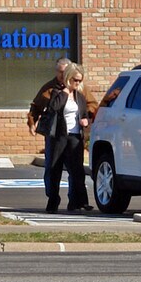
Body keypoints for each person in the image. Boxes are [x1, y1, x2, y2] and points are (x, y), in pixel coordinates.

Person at [40, 65, 92, 211]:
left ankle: (78, 201)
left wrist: (85, 120)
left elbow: (84, 113)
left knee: (77, 171)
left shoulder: (79, 96)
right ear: (69, 78)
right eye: (75, 80)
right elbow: (54, 108)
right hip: (58, 136)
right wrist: (65, 91)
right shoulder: (57, 93)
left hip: (75, 136)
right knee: (53, 169)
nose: (77, 83)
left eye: (80, 80)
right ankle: (53, 200)